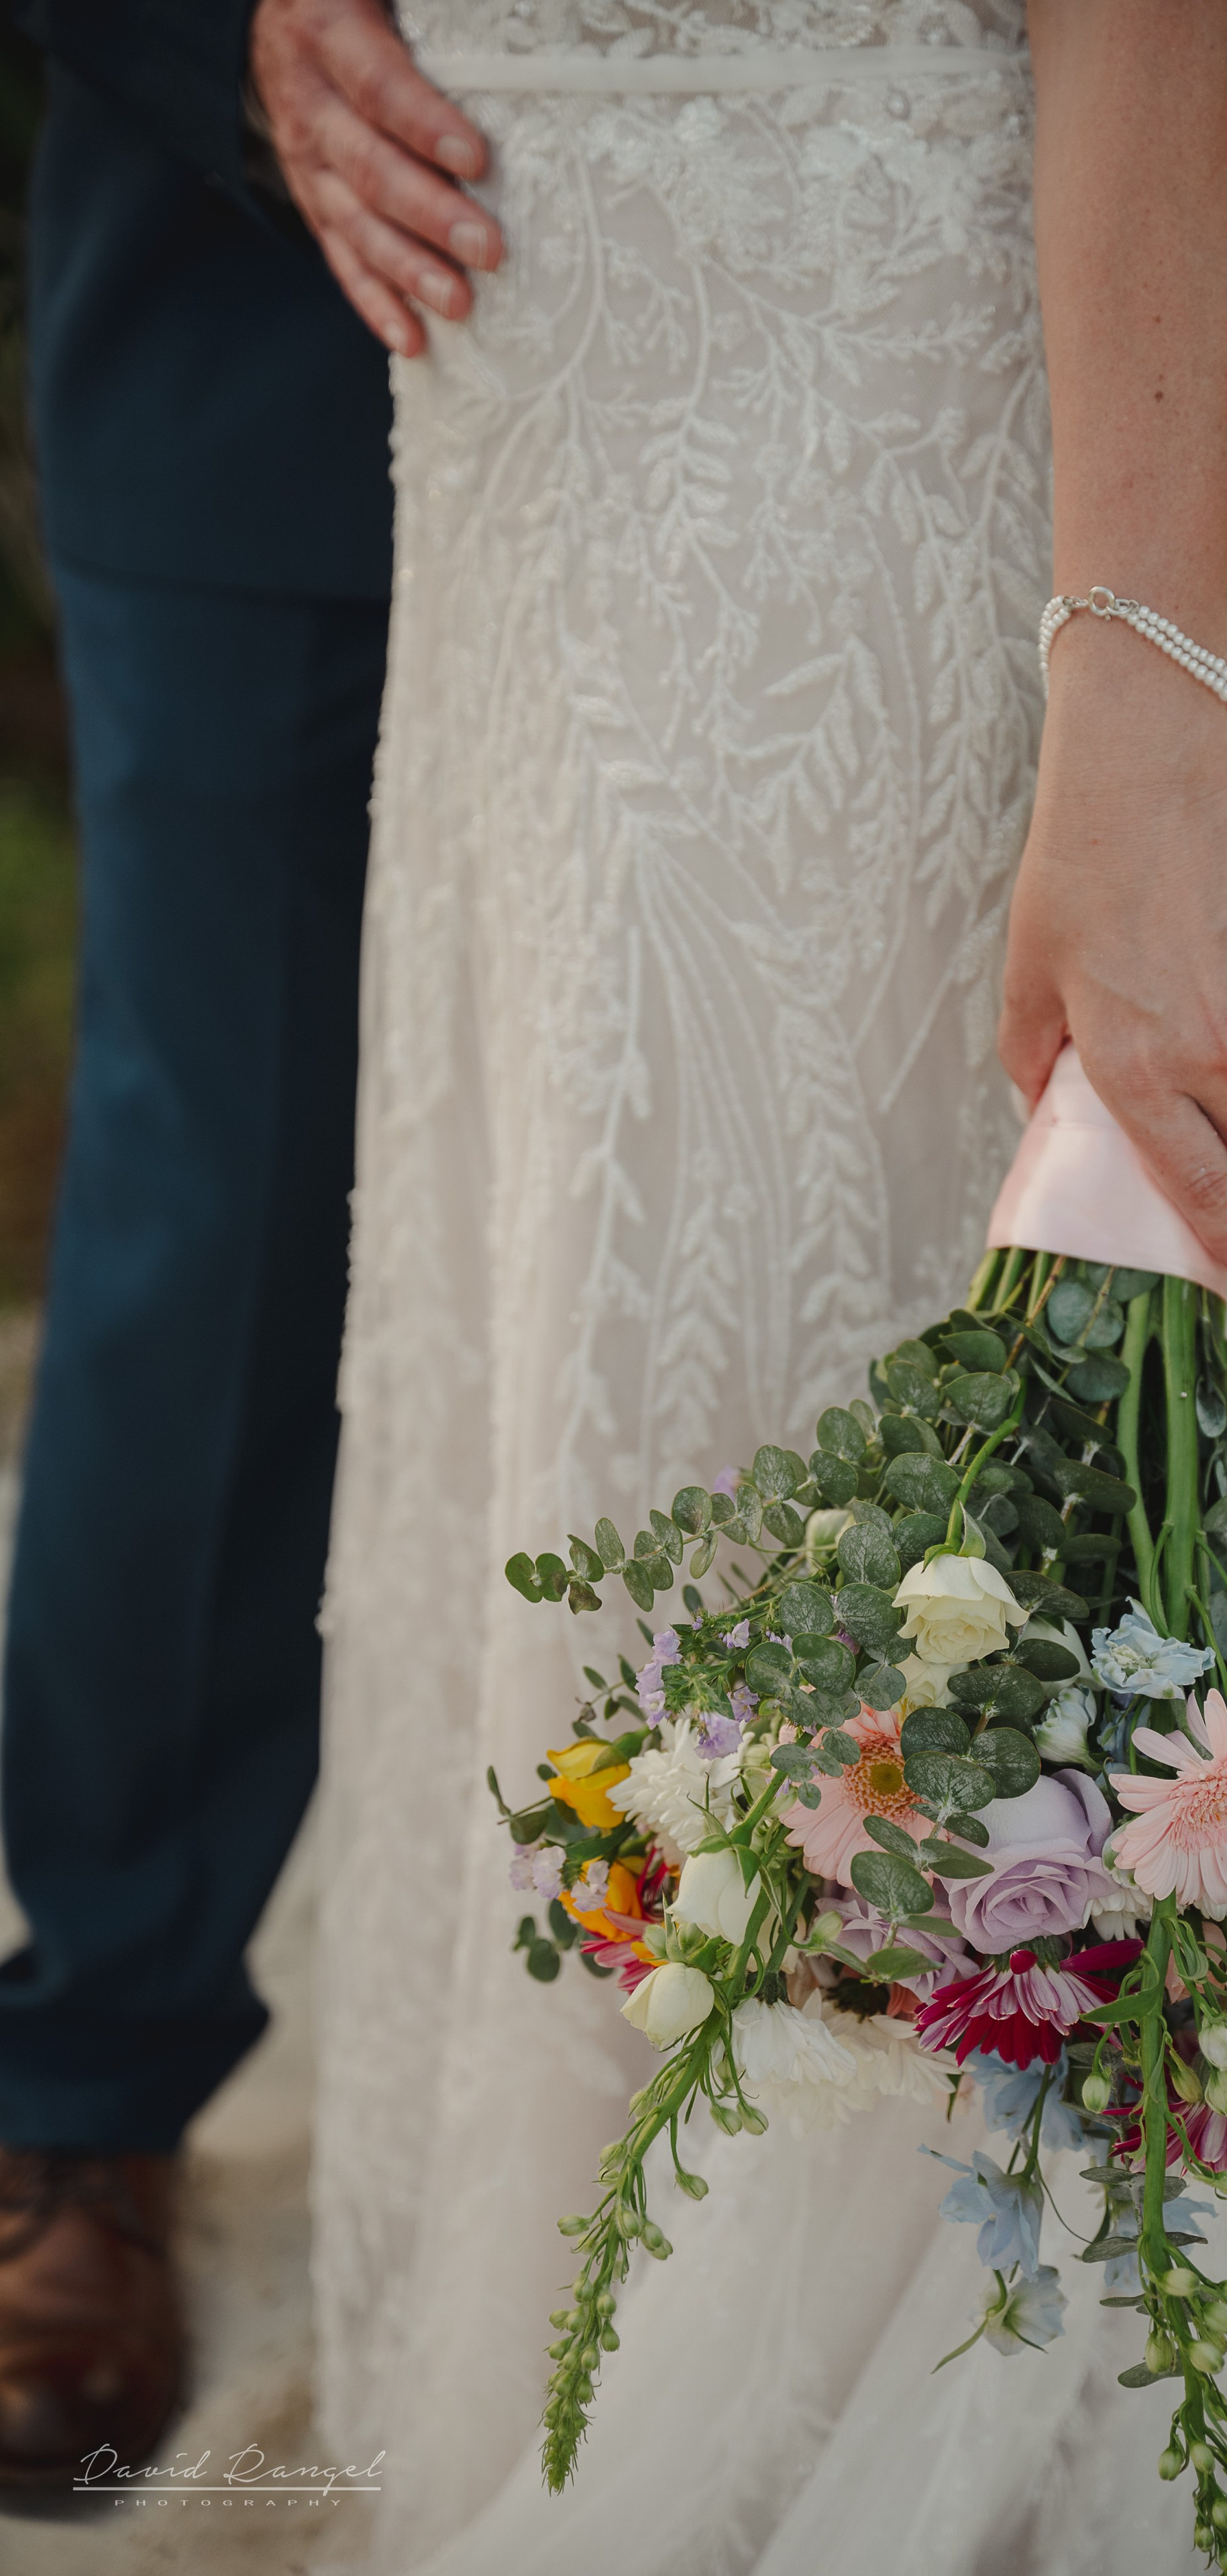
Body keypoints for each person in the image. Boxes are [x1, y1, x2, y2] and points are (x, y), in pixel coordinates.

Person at [280, 5, 1227, 2571]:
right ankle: (586, 2294)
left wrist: (1146, 715)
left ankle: (883, 2308)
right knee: (567, 1298)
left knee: (790, 1387)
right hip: (535, 424)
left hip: (856, 425)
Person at [0, 0, 500, 2484]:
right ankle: (88, 2080)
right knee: (211, 1237)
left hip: (808, 371)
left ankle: (796, 2012)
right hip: (260, 317)